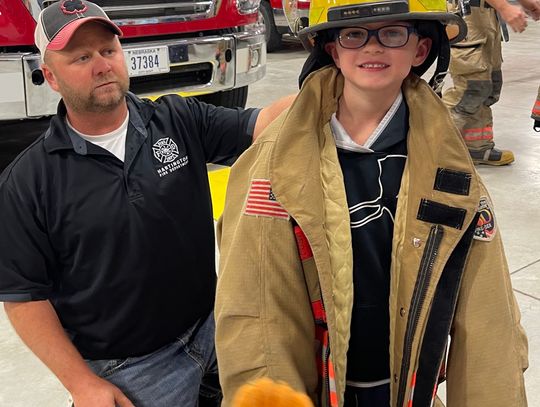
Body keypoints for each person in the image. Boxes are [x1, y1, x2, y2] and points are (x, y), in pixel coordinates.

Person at [214, 0, 528, 405]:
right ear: (332, 49)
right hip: (313, 389)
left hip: (406, 388)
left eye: (393, 33)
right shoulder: (273, 165)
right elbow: (252, 306)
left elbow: (488, 319)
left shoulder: (452, 171)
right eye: (354, 33)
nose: (373, 47)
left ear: (420, 50)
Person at [0, 1, 293, 406]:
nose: (102, 65)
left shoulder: (176, 119)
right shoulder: (28, 181)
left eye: (108, 51)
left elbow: (263, 125)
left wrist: (332, 80)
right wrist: (81, 384)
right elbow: (24, 297)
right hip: (131, 370)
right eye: (81, 57)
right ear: (50, 76)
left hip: (214, 333)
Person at [443, 0, 540, 165]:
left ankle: (476, 147)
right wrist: (504, 7)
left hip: (486, 15)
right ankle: (428, 146)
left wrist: (527, 4)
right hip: (466, 14)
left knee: (490, 86)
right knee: (472, 88)